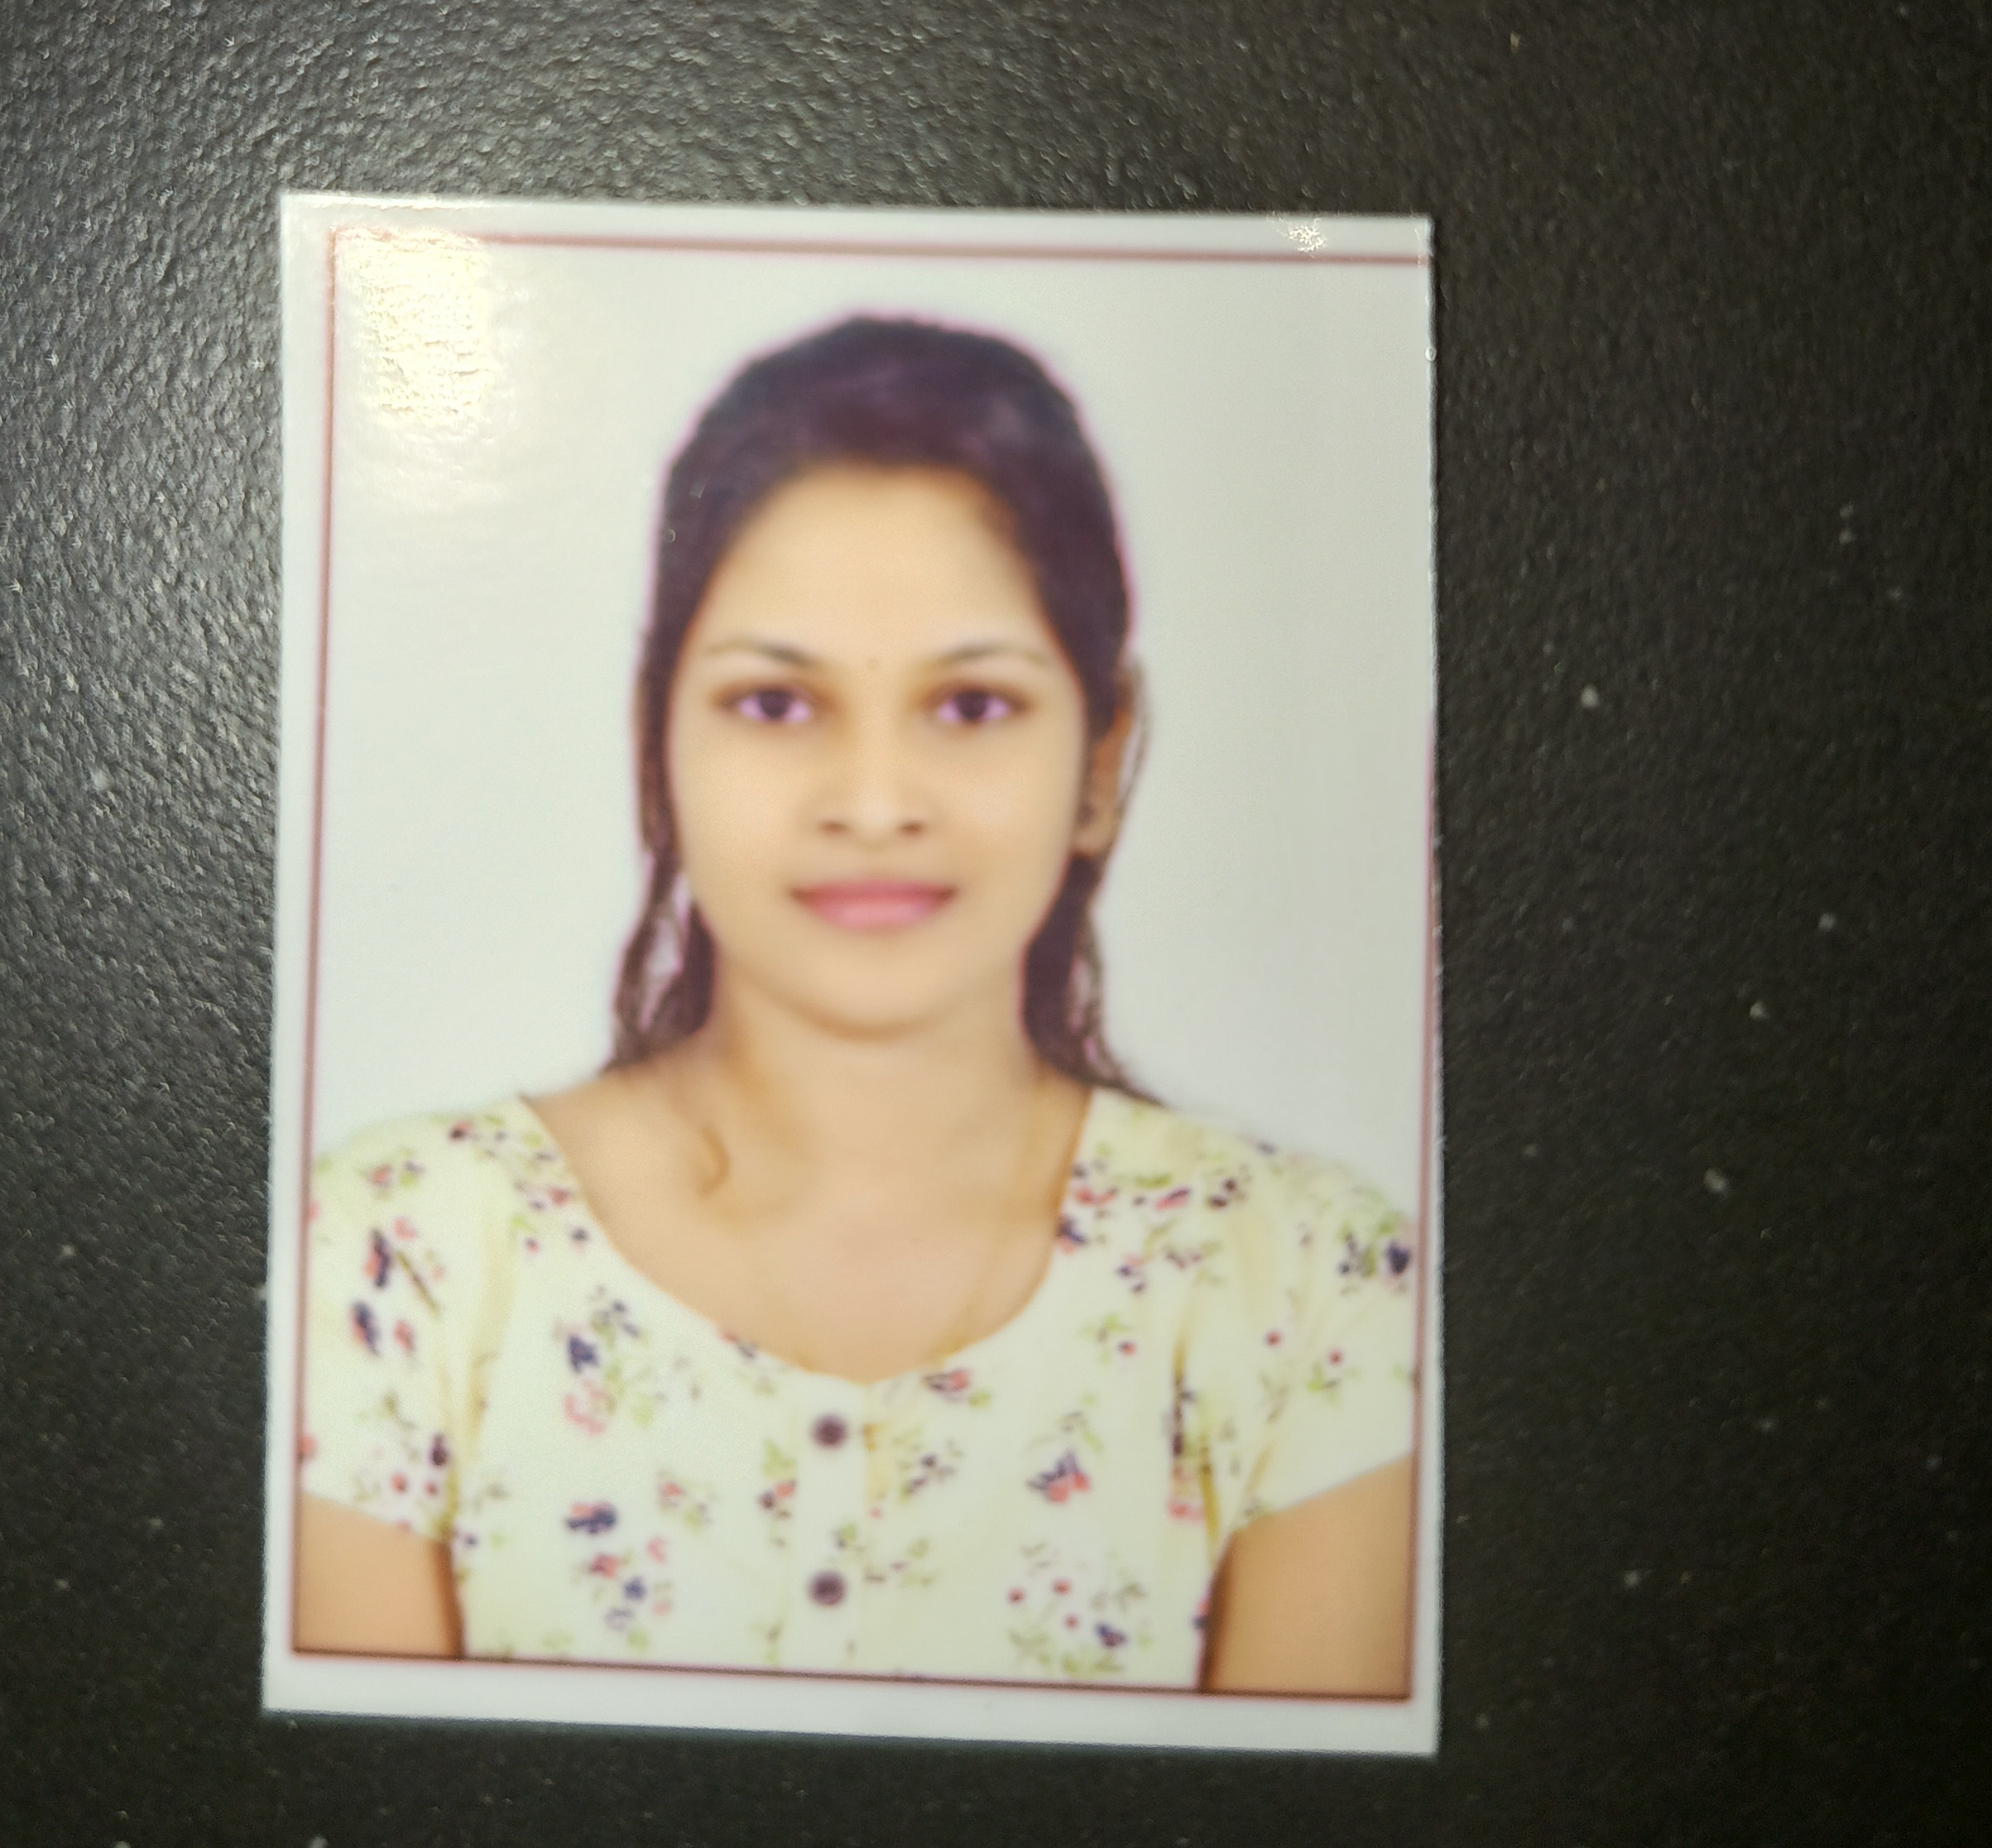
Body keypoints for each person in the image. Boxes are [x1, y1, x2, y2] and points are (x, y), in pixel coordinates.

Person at [294, 316, 1417, 1692]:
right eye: (775, 704)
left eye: (973, 706)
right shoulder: (400, 1260)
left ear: (1099, 763)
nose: (875, 804)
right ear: (657, 743)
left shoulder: (1304, 1289)